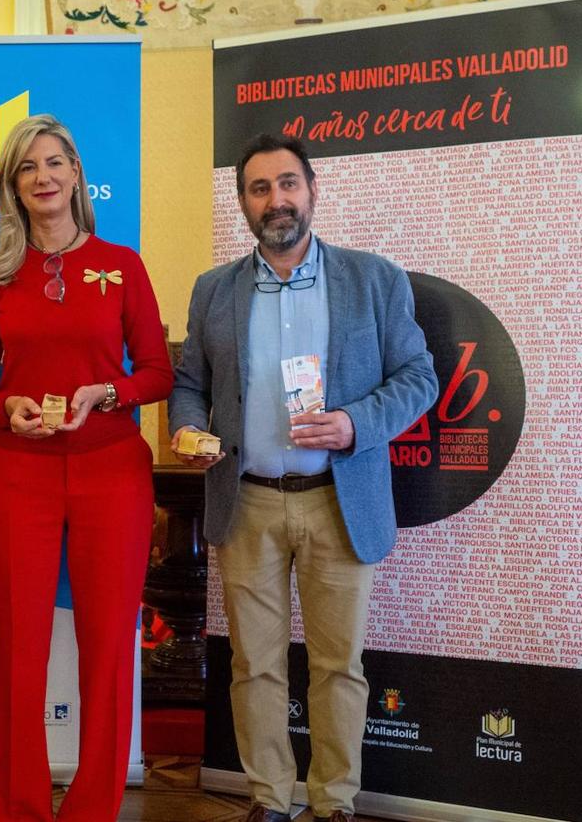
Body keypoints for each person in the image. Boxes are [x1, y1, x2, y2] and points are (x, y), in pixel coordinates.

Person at [169, 133, 438, 822]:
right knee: (253, 666)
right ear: (243, 203)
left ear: (312, 191)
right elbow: (190, 383)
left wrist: (355, 423)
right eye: (259, 188)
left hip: (337, 501)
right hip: (247, 501)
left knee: (337, 665)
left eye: (288, 184)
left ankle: (334, 802)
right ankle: (269, 799)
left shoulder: (374, 280)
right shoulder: (213, 291)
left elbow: (420, 377)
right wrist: (185, 426)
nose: (276, 200)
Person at [0, 114, 174, 822]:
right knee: (18, 650)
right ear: (12, 187)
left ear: (77, 174)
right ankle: (19, 808)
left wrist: (107, 393)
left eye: (55, 163)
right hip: (17, 474)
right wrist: (7, 406)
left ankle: (92, 809)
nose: (43, 177)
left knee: (108, 647)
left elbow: (159, 373)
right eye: (28, 168)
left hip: (113, 471)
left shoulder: (123, 264)